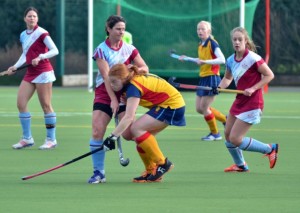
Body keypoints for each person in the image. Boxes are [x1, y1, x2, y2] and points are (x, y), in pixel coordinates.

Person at [88, 15, 148, 184]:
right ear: (108, 29)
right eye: (118, 29)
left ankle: (152, 166)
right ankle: (99, 172)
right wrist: (113, 100)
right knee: (97, 131)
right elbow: (107, 77)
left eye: (123, 29)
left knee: (130, 133)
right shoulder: (101, 50)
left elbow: (145, 67)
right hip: (104, 92)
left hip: (126, 93)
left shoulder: (130, 49)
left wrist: (133, 69)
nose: (121, 32)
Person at [102, 64, 186, 183]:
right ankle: (151, 170)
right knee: (139, 137)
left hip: (172, 106)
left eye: (114, 82)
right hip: (165, 105)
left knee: (136, 129)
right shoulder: (131, 83)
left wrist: (112, 137)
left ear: (123, 78)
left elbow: (129, 117)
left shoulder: (133, 87)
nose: (111, 85)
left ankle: (162, 163)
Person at [218, 27, 279, 172]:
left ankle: (269, 148)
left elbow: (270, 75)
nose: (237, 42)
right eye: (235, 40)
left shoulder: (253, 58)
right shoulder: (230, 60)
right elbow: (227, 78)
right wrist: (219, 87)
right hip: (239, 101)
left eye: (240, 39)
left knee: (236, 139)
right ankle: (240, 165)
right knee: (227, 134)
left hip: (253, 103)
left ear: (246, 41)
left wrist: (253, 88)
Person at [7, 7, 59, 150]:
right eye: (29, 16)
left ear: (37, 19)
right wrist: (15, 66)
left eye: (34, 16)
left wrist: (41, 56)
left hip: (43, 72)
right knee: (21, 103)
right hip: (30, 73)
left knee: (46, 106)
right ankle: (27, 138)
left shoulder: (42, 33)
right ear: (25, 18)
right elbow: (25, 54)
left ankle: (51, 139)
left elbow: (55, 50)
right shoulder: (23, 34)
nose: (32, 18)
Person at [178, 21, 226, 141]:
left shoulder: (213, 43)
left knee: (205, 108)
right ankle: (225, 119)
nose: (200, 31)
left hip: (212, 78)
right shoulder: (201, 44)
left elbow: (222, 60)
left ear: (209, 31)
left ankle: (215, 134)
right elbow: (201, 59)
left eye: (203, 29)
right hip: (204, 77)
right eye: (198, 29)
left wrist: (205, 62)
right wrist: (187, 58)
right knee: (199, 109)